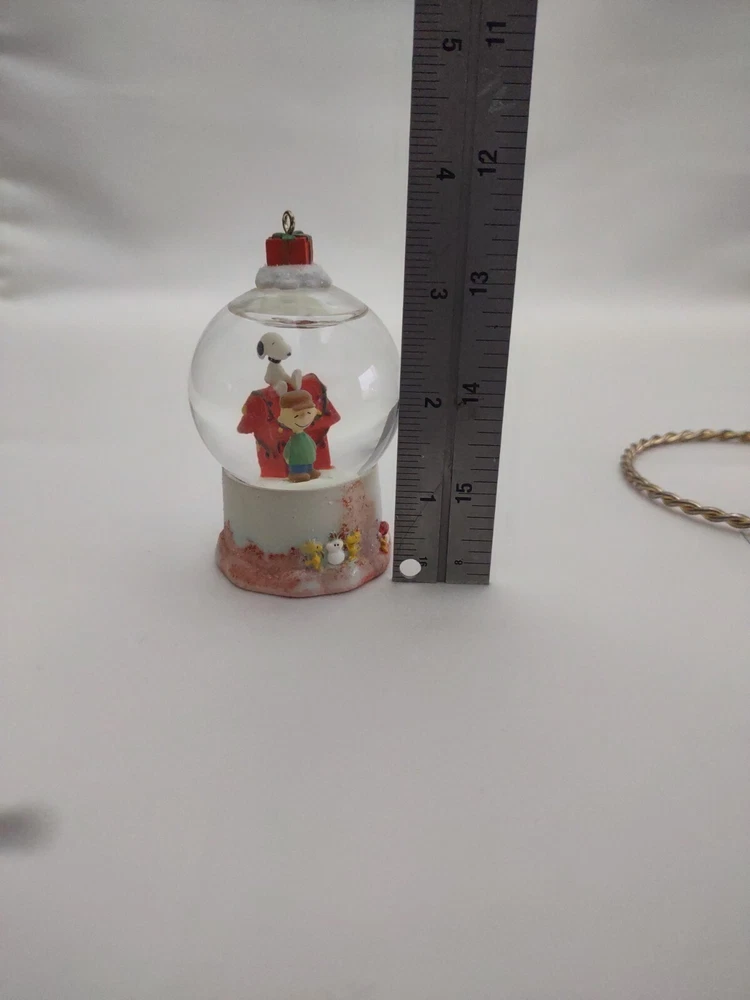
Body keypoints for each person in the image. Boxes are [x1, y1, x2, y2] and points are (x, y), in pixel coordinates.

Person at [277, 389, 321, 482]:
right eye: (297, 416)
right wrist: (287, 457)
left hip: (309, 459)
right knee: (298, 466)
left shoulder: (305, 436)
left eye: (309, 413)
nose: (305, 417)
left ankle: (310, 470)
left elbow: (312, 444)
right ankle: (296, 474)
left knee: (309, 464)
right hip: (296, 461)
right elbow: (287, 450)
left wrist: (313, 449)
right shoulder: (293, 439)